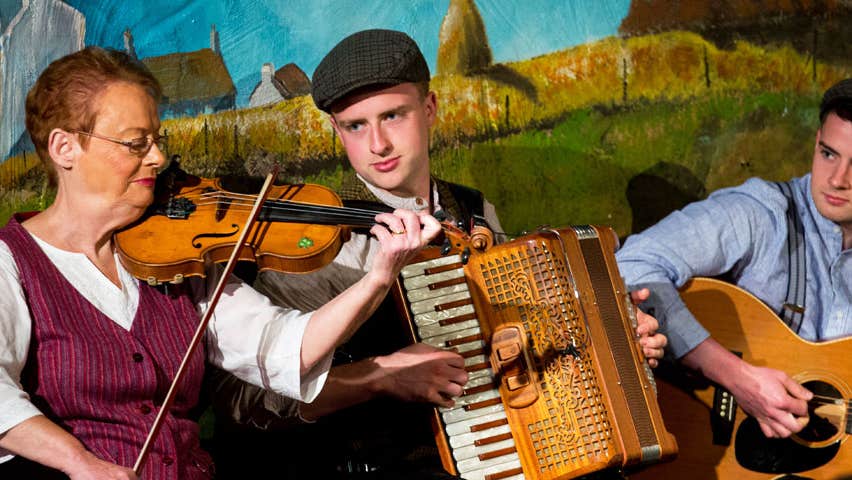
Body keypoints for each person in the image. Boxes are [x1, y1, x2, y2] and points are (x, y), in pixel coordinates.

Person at [208, 29, 668, 479]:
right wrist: (379, 376)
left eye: (393, 116)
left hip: (497, 453)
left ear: (428, 108)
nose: (378, 145)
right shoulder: (321, 242)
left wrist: (615, 342)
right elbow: (243, 403)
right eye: (355, 125)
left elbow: (510, 339)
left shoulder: (474, 209)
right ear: (335, 129)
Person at [0, 46, 440, 480]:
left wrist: (380, 275)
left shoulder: (178, 255)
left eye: (157, 140)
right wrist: (81, 464)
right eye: (135, 143)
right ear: (64, 148)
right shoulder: (11, 261)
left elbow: (286, 347)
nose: (156, 159)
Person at [615, 78, 852, 440]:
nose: (838, 179)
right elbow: (629, 263)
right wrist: (734, 376)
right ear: (817, 141)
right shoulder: (761, 215)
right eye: (829, 154)